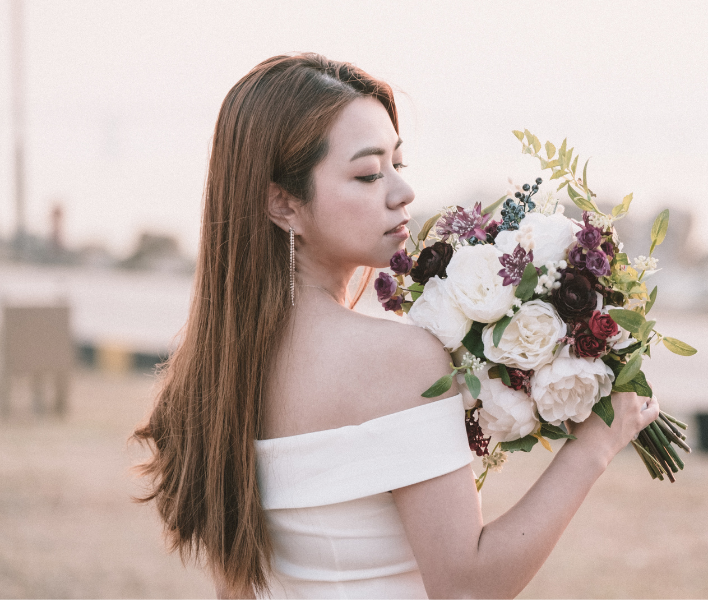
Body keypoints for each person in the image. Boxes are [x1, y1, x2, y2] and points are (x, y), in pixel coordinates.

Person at [133, 53, 659, 599]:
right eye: (366, 174)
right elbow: (466, 587)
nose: (401, 193)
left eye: (397, 165)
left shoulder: (215, 368)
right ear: (283, 205)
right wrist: (594, 446)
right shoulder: (399, 359)